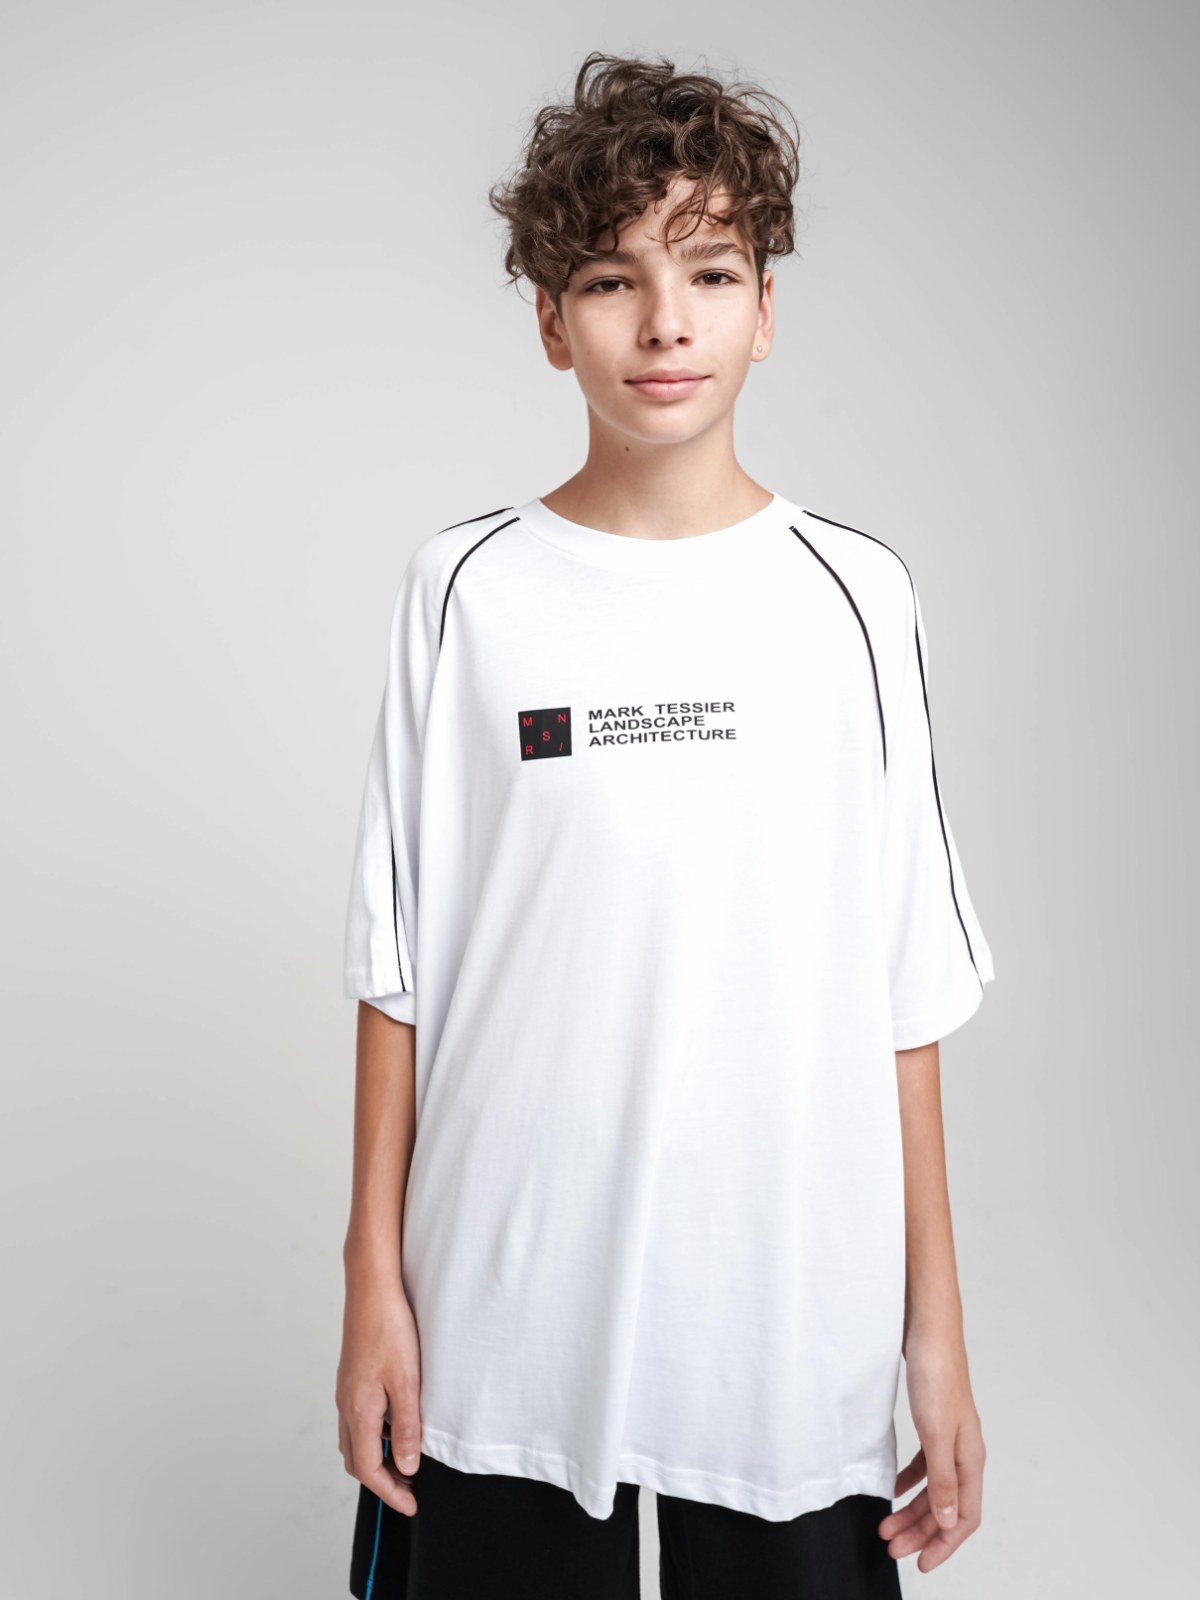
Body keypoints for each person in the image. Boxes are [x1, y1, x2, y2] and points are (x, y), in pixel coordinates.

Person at [335, 49, 995, 1599]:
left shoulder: (857, 599)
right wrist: (370, 1280)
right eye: (609, 280)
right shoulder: (465, 593)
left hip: (784, 1315)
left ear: (766, 309)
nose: (664, 322)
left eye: (709, 271)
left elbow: (904, 993)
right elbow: (396, 972)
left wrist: (939, 1336)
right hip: (501, 1307)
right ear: (550, 321)